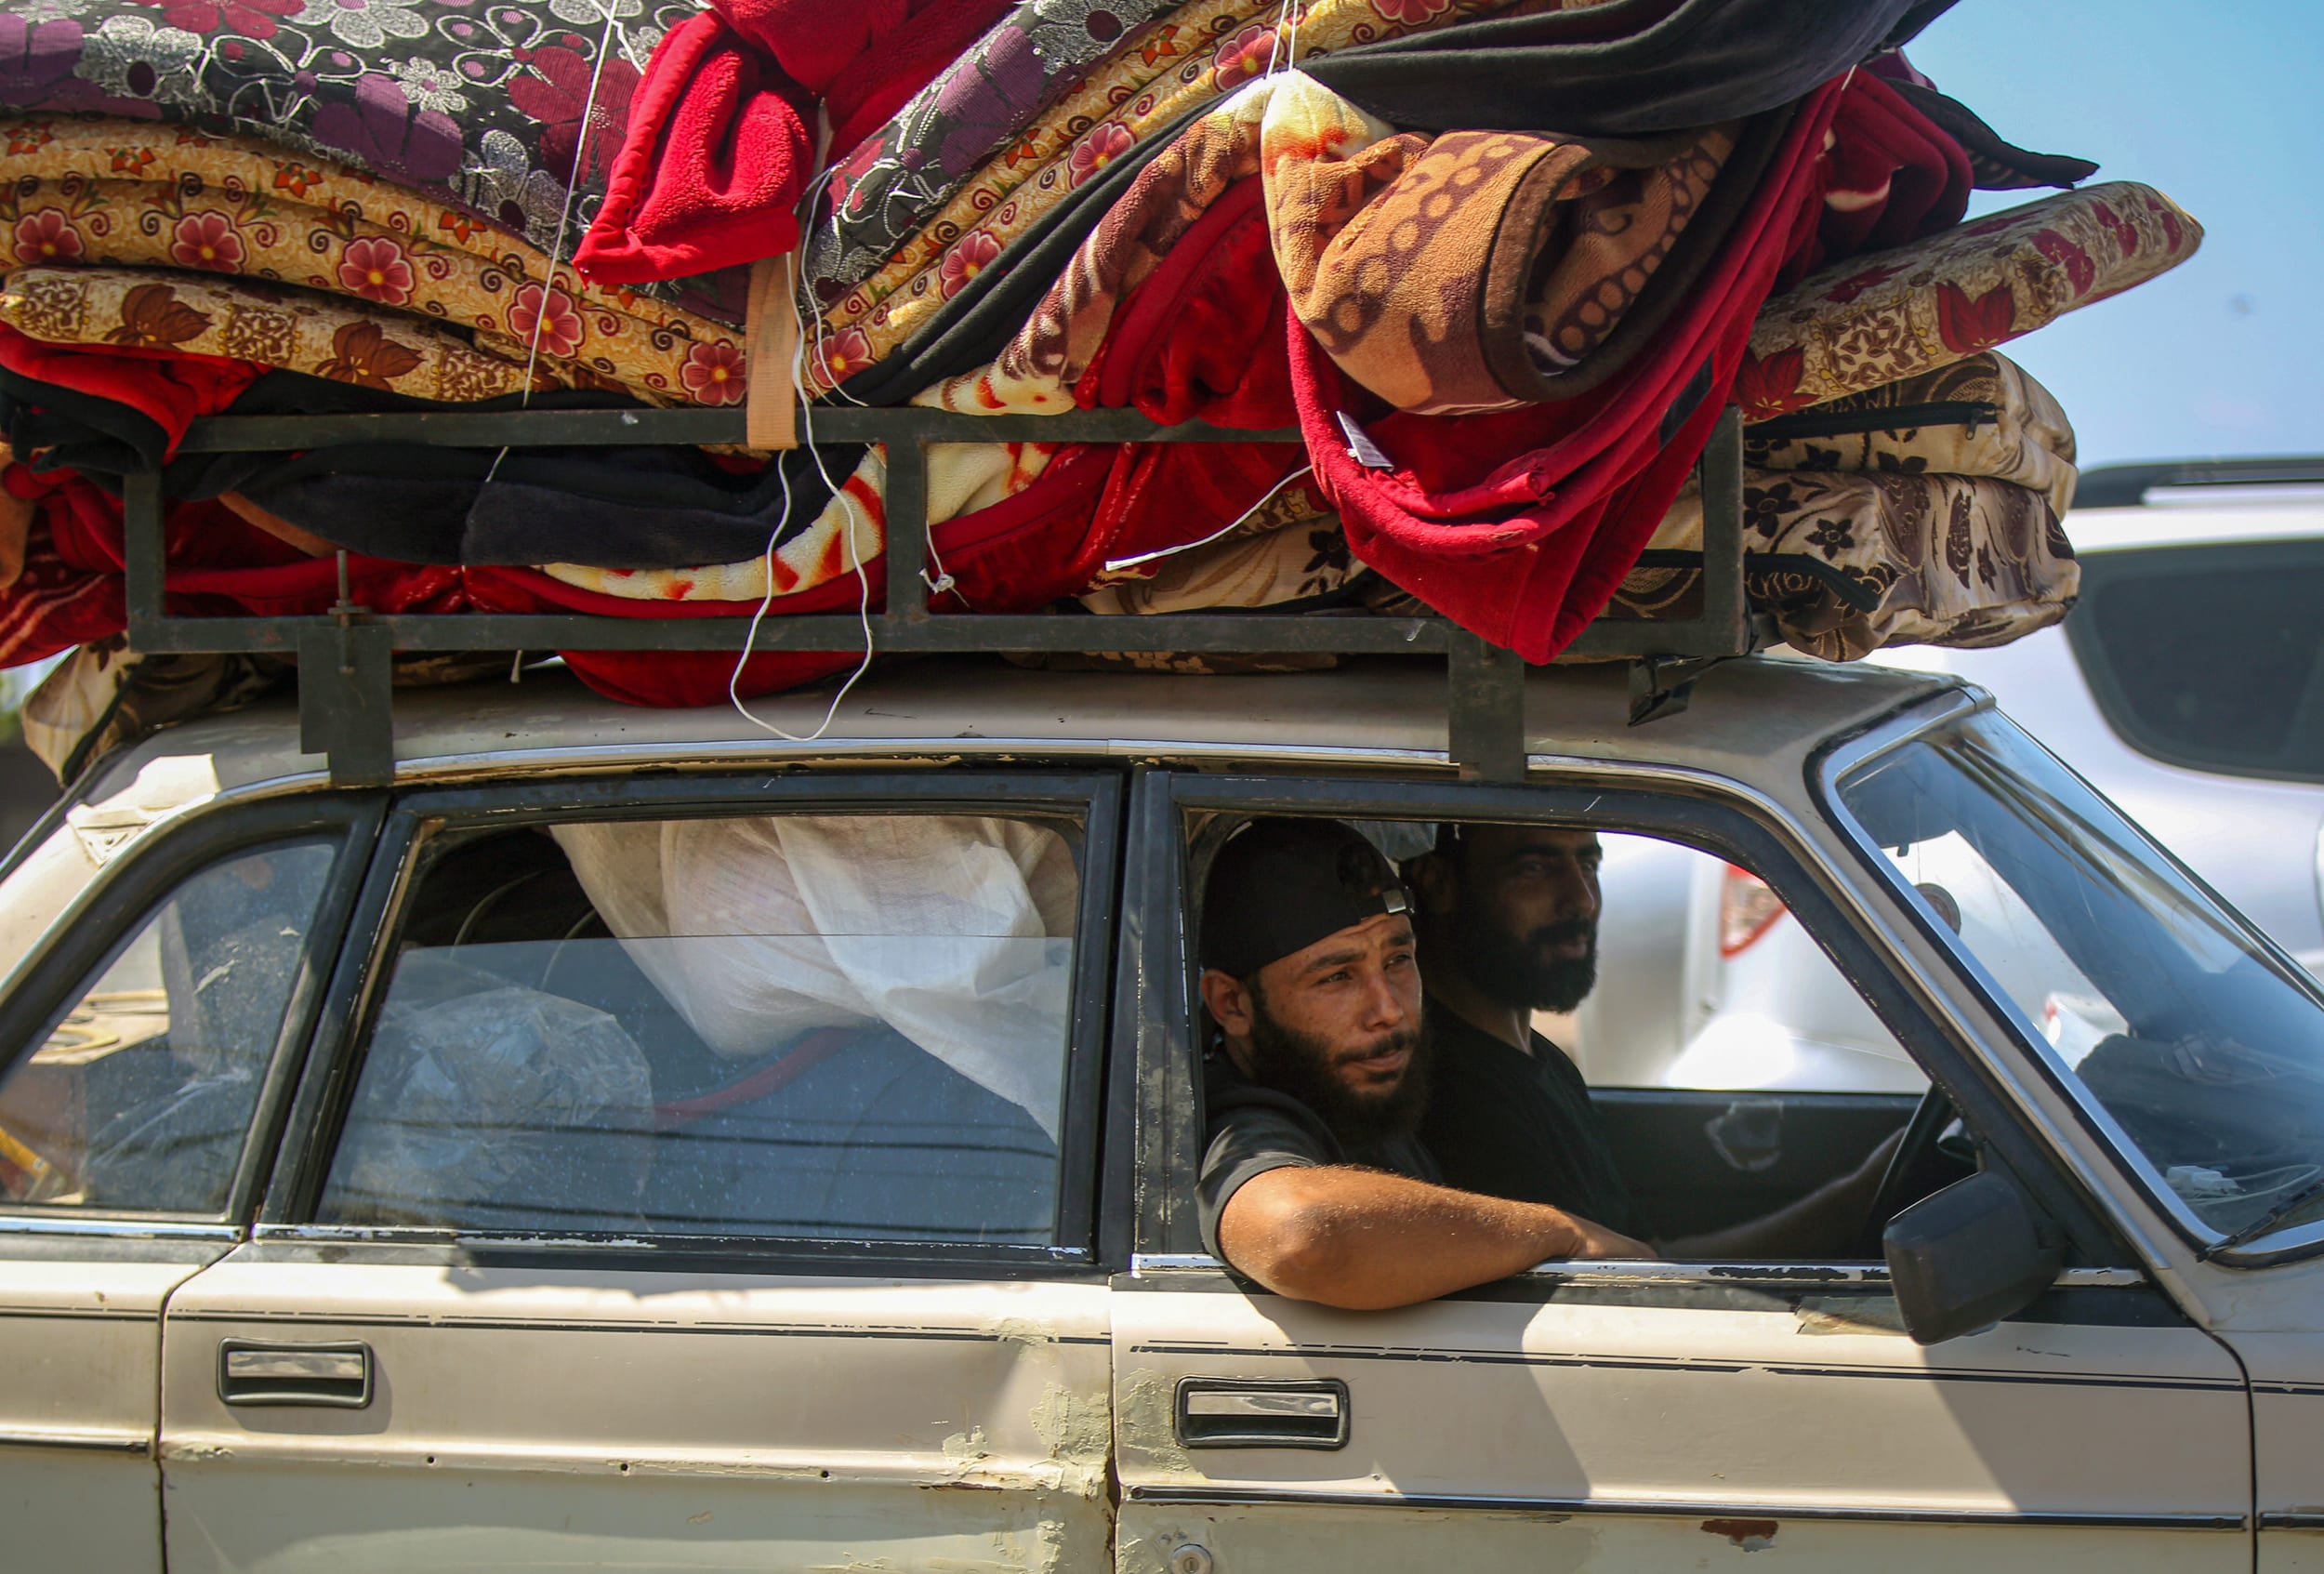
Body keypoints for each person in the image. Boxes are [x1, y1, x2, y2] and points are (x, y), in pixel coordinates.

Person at [1195, 817, 1650, 1312]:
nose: (1388, 1008)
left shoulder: (1358, 1094)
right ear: (1233, 1004)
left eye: (1396, 960)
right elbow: (1304, 1238)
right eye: (1338, 977)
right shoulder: (1245, 1123)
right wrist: (1562, 1232)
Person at [1406, 821, 1903, 1259]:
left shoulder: (1539, 1063)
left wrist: (1852, 1198)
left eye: (1588, 864)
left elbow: (1641, 1263)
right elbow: (1616, 1294)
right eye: (1534, 868)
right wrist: (1847, 1206)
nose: (1580, 899)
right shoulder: (1449, 1094)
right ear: (1440, 885)